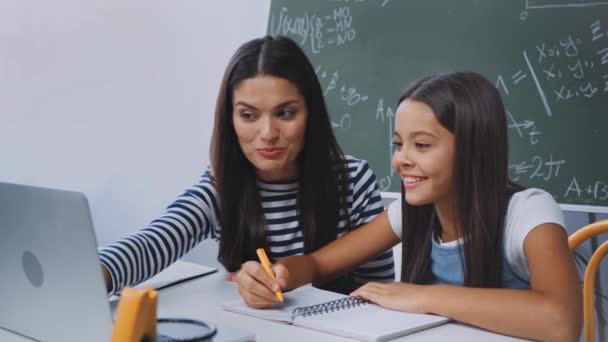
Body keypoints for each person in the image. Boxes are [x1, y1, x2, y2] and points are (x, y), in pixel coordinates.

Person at [235, 71, 582, 341]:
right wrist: (277, 275)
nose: (400, 161)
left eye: (422, 145)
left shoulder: (529, 212)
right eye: (399, 144)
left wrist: (425, 297)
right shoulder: (413, 212)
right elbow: (316, 264)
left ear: (473, 151)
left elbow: (561, 321)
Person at [99, 35, 394, 296]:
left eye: (286, 113)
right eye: (249, 116)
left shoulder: (354, 181)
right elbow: (153, 242)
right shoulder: (220, 186)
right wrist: (93, 272)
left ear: (310, 114)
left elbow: (380, 292)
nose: (267, 133)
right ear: (231, 120)